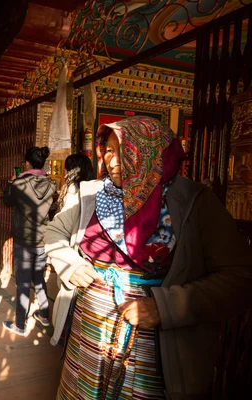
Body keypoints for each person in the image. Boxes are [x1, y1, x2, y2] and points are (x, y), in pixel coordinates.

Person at [45, 116, 252, 399]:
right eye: (108, 150)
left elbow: (239, 278)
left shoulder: (195, 203)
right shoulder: (95, 195)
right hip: (88, 336)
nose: (113, 161)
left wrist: (165, 307)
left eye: (125, 150)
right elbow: (55, 231)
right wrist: (70, 264)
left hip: (154, 349)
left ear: (151, 151)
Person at [2, 146, 56, 336]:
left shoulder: (20, 184)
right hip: (42, 239)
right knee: (39, 279)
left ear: (27, 163)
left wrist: (12, 183)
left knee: (23, 283)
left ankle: (20, 325)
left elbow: (7, 201)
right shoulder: (51, 184)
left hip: (24, 241)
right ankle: (45, 316)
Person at [51, 153, 95, 218]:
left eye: (66, 168)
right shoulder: (93, 187)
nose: (64, 171)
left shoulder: (72, 189)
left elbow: (65, 217)